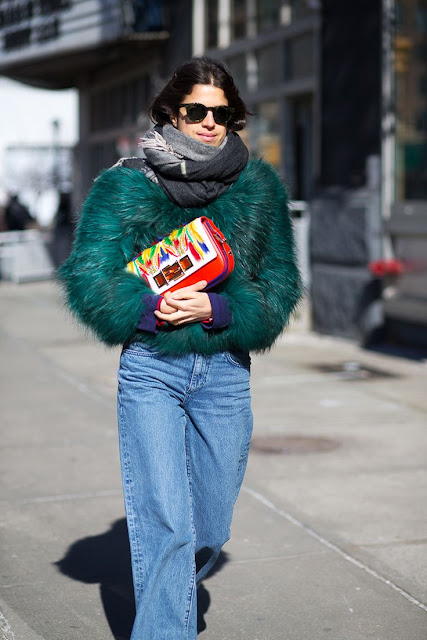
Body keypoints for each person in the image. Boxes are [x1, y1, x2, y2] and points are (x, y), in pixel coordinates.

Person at [58, 56, 302, 639]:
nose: (211, 123)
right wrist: (149, 308)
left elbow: (281, 286)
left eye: (223, 114)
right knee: (166, 521)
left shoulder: (258, 189)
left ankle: (176, 579)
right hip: (152, 369)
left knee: (208, 527)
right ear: (171, 111)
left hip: (224, 371)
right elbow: (88, 278)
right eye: (197, 111)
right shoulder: (125, 184)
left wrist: (217, 308)